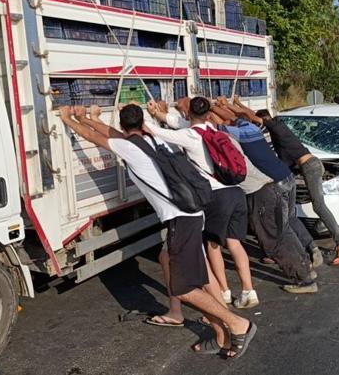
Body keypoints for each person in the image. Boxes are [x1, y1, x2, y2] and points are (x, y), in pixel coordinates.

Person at [58, 104, 257, 358]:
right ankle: (220, 335)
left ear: (123, 126)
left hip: (180, 220)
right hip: (193, 214)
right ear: (141, 123)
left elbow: (96, 137)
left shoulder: (129, 147)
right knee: (196, 276)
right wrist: (88, 118)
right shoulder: (153, 141)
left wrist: (70, 119)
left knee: (184, 287)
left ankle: (238, 324)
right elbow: (109, 133)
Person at [145, 97, 259, 309]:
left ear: (188, 114)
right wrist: (161, 114)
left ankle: (224, 292)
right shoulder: (216, 131)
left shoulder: (189, 135)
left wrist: (148, 116)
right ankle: (248, 291)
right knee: (234, 243)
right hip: (236, 193)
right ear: (209, 114)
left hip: (216, 196)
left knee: (213, 246)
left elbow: (158, 133)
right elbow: (176, 123)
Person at [209, 100, 317, 293]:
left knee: (273, 237)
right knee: (284, 229)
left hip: (267, 187)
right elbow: (233, 117)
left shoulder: (235, 134)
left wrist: (207, 109)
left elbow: (216, 125)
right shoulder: (250, 128)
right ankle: (305, 265)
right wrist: (222, 106)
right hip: (283, 178)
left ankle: (304, 279)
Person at [231, 97, 339, 265]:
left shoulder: (277, 125)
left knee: (319, 206)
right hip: (308, 166)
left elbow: (251, 117)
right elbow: (251, 116)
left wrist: (230, 106)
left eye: (260, 122)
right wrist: (237, 103)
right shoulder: (275, 133)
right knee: (294, 212)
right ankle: (313, 246)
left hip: (310, 166)